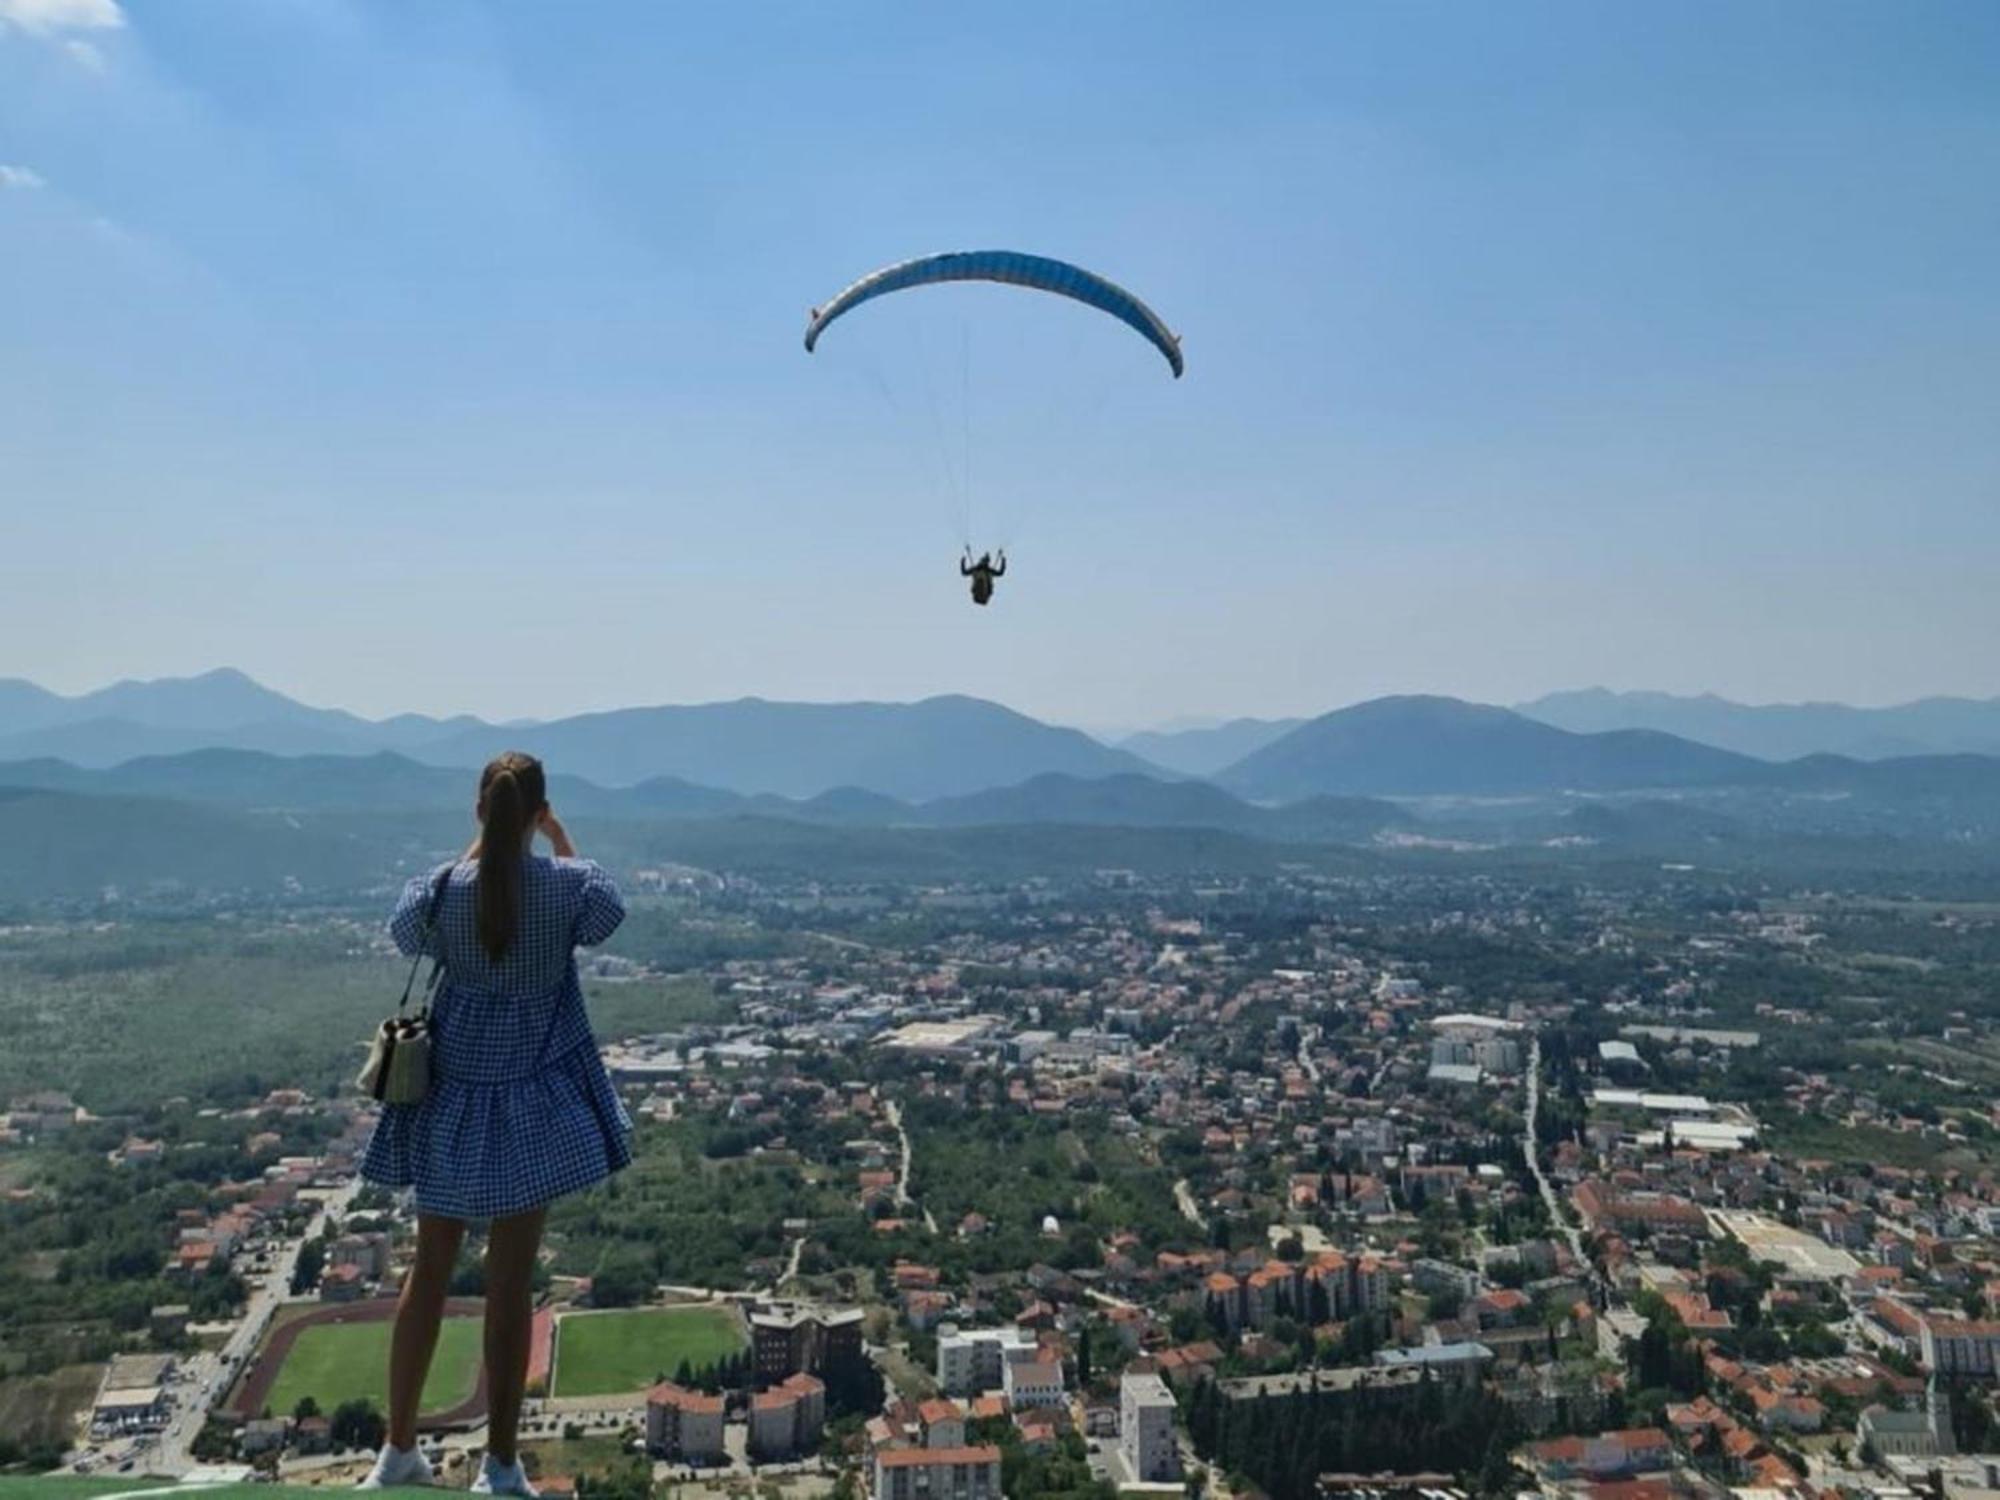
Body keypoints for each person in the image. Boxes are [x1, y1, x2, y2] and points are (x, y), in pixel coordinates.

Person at [357, 752, 631, 1496]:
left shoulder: (444, 892)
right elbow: (606, 912)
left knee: (429, 1272)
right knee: (510, 1289)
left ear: (481, 811)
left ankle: (398, 1451)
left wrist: (483, 845)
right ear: (538, 812)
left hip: (450, 1097)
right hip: (533, 1104)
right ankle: (501, 1467)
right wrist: (555, 837)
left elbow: (405, 932)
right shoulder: (567, 888)